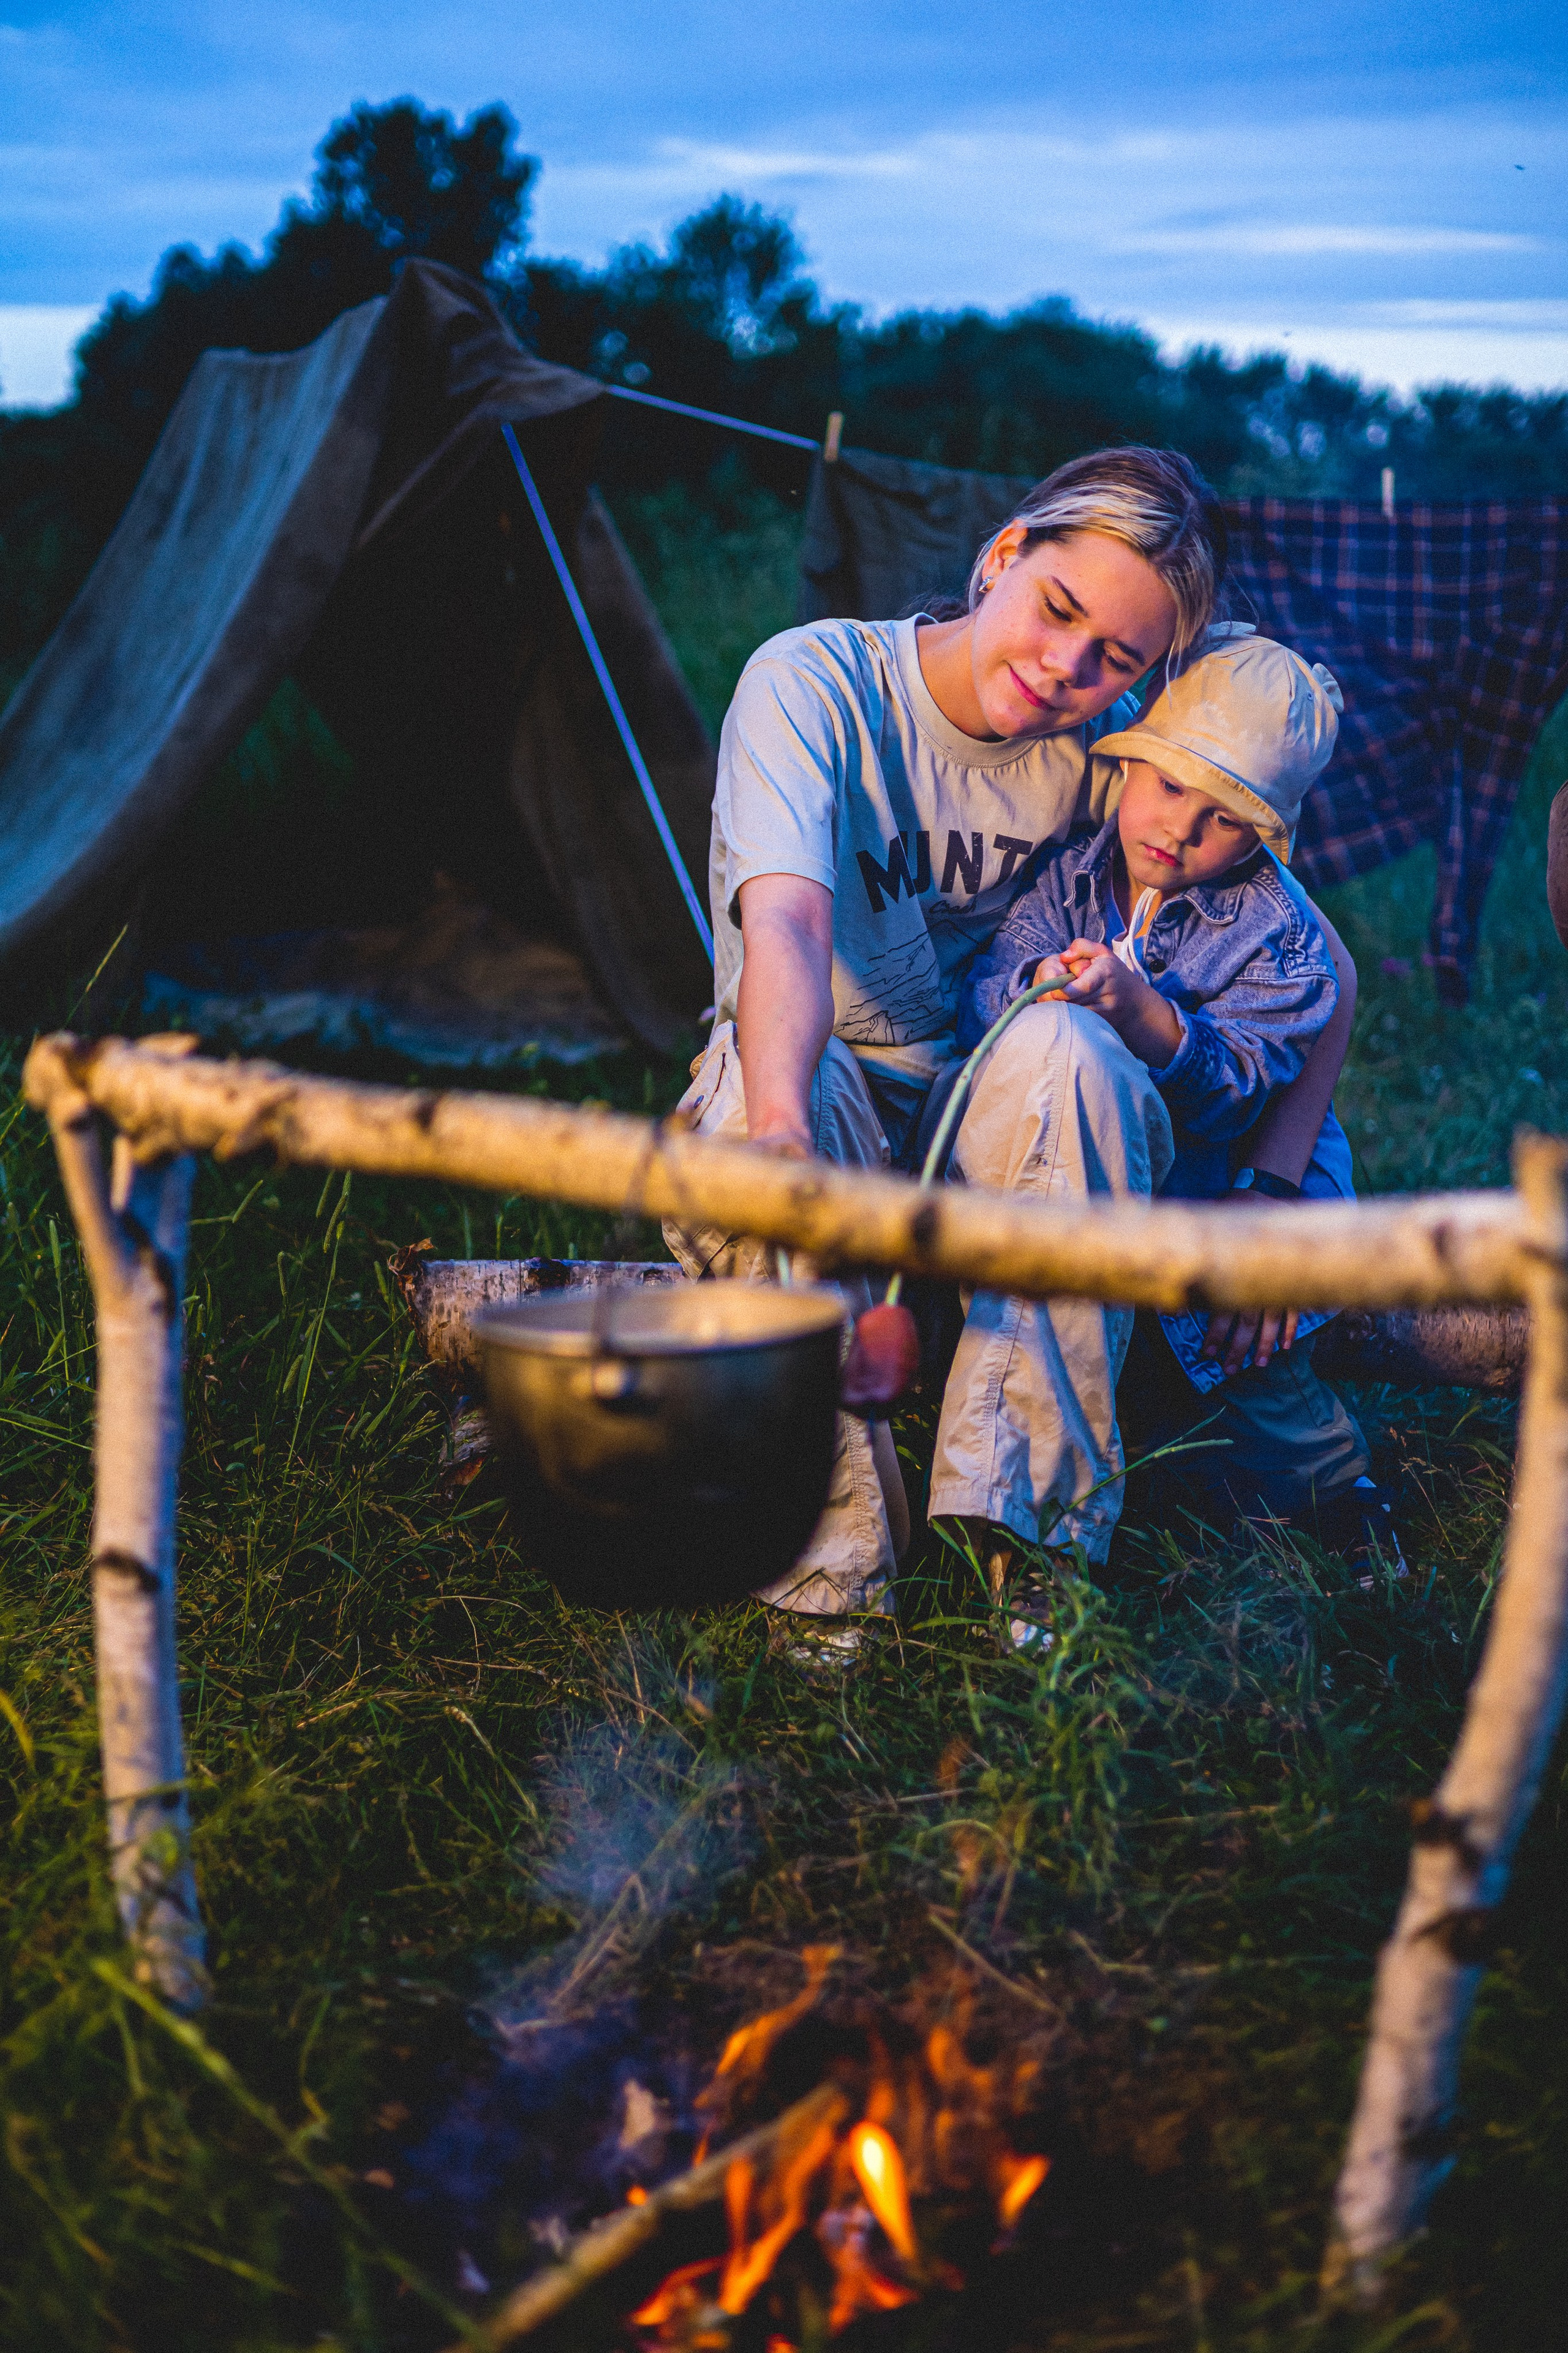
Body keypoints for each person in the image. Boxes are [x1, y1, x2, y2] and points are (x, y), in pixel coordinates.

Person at [664, 446, 1359, 1647]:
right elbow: (783, 921)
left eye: (1118, 660)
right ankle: (829, 1591)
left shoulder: (1122, 761)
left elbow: (1319, 962)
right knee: (758, 1109)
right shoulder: (815, 684)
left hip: (1011, 1132)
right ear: (1001, 557)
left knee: (1069, 1045)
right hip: (816, 1078)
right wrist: (779, 1133)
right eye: (1056, 610)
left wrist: (1274, 1184)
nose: (1065, 670)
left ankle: (1025, 1551)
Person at [958, 631, 1389, 1633]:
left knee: (1251, 1351)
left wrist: (1148, 1016)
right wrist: (1029, 991)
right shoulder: (1075, 873)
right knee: (1112, 1325)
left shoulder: (1275, 935)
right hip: (1107, 1167)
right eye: (1165, 789)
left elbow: (1235, 1091)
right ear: (1127, 765)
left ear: (1265, 836)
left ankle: (1337, 1491)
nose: (1180, 830)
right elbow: (993, 979)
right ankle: (1073, 1481)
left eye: (1223, 818)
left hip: (1232, 1173)